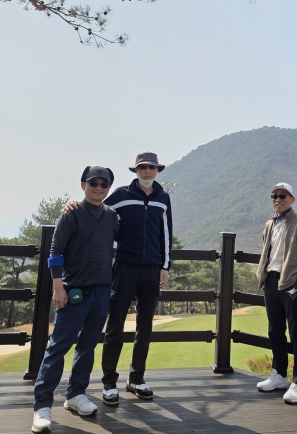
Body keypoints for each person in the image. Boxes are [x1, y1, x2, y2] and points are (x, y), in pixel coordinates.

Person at [32, 166, 118, 433]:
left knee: (88, 346)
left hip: (102, 290)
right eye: (94, 183)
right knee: (58, 347)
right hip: (73, 291)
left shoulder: (111, 216)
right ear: (83, 185)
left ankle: (75, 394)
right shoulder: (70, 214)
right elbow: (55, 253)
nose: (99, 187)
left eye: (104, 184)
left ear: (109, 187)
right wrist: (58, 287)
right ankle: (42, 406)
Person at [99, 151, 172, 405]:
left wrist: (165, 266)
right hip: (124, 267)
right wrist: (74, 207)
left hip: (152, 269)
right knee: (115, 325)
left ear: (157, 170)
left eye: (152, 167)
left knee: (145, 327)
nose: (147, 171)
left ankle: (136, 378)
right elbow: (96, 209)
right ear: (136, 170)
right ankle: (109, 382)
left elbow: (166, 233)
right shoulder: (121, 195)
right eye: (142, 167)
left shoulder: (163, 198)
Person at [255, 182, 297, 403]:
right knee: (275, 330)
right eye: (274, 196)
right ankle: (279, 374)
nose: (278, 199)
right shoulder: (270, 223)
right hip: (270, 281)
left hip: (291, 283)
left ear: (292, 199)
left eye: (283, 195)